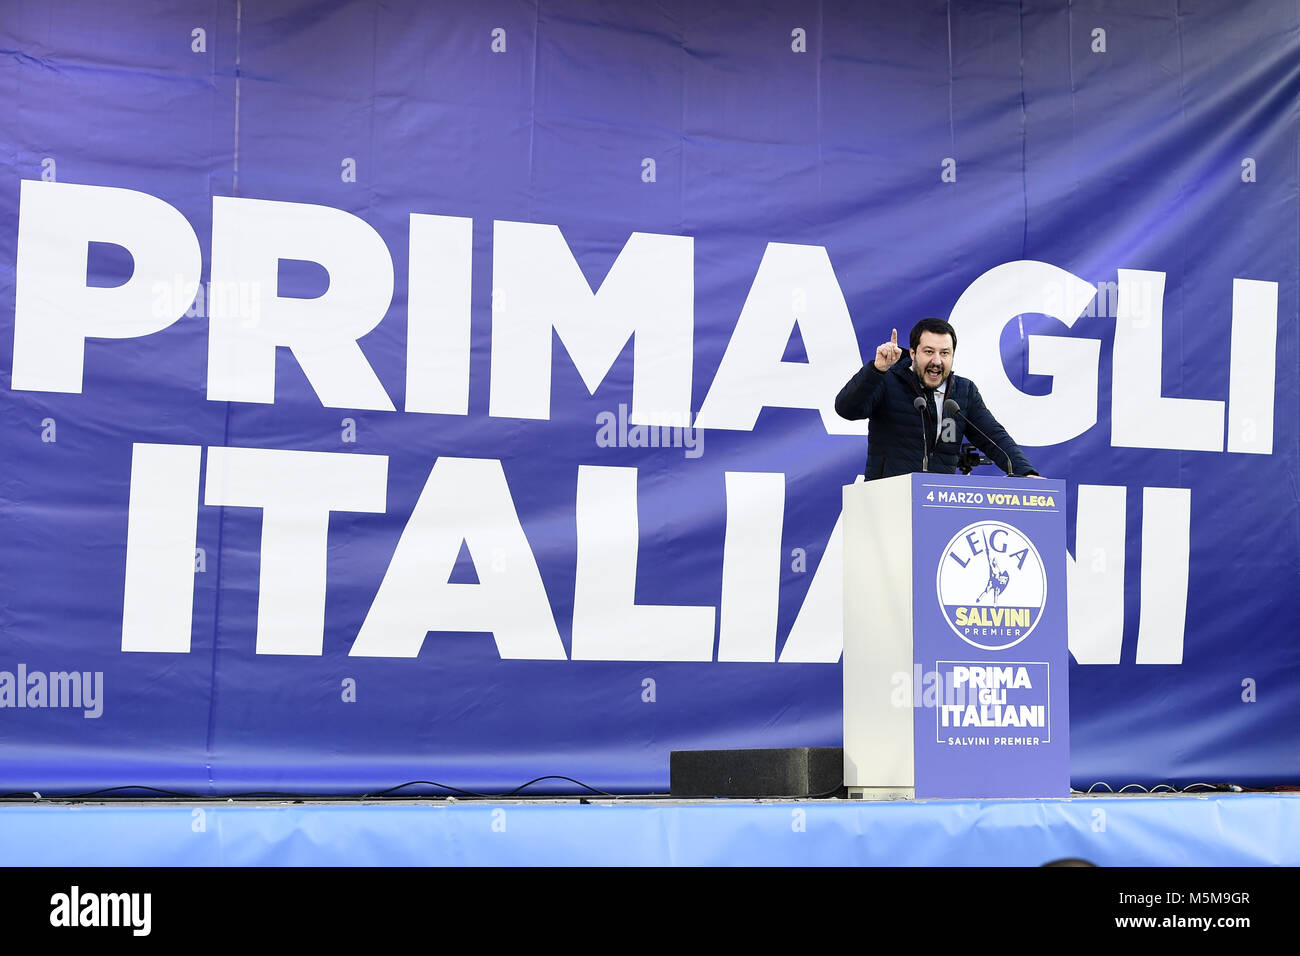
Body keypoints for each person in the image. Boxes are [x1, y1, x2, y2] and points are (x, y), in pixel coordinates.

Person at [834, 317, 1039, 480]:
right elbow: (846, 408)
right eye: (929, 352)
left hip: (937, 507)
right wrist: (876, 370)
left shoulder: (964, 391)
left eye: (945, 353)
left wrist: (1026, 473)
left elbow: (994, 437)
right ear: (913, 353)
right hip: (886, 506)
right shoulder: (886, 380)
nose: (937, 361)